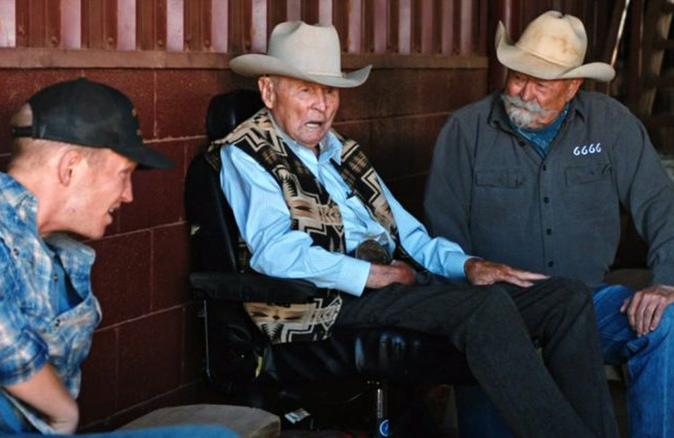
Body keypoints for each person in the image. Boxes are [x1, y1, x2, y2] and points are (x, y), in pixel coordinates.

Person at [208, 20, 620, 438]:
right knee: (486, 308)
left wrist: (468, 266)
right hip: (325, 304)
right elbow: (273, 251)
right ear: (268, 91)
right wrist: (373, 275)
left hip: (395, 288)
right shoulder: (245, 153)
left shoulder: (341, 151)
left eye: (330, 91)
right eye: (306, 90)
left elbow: (410, 235)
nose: (322, 106)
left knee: (565, 298)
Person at [0, 78, 240, 438]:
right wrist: (62, 411)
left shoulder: (69, 265)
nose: (128, 195)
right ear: (70, 167)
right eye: (124, 175)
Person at [424, 10, 674, 438]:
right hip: (497, 310)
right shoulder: (466, 131)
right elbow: (442, 234)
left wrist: (666, 281)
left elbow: (661, 204)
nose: (523, 92)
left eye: (541, 84)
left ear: (573, 86)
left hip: (588, 304)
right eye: (518, 77)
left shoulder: (610, 124)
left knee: (665, 324)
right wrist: (472, 288)